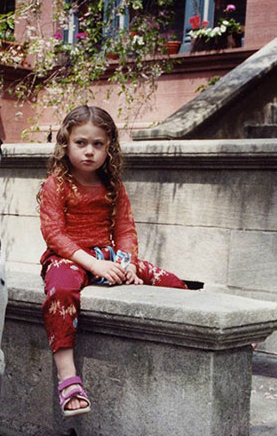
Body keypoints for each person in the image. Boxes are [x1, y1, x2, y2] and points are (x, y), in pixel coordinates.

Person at [38, 105, 188, 417]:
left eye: (98, 144)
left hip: (108, 257)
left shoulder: (112, 186)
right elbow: (54, 233)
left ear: (110, 148)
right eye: (81, 143)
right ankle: (68, 380)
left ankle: (228, 341)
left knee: (169, 281)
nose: (89, 151)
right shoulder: (57, 184)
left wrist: (128, 263)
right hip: (68, 258)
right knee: (62, 291)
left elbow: (125, 229)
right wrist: (92, 265)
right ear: (65, 144)